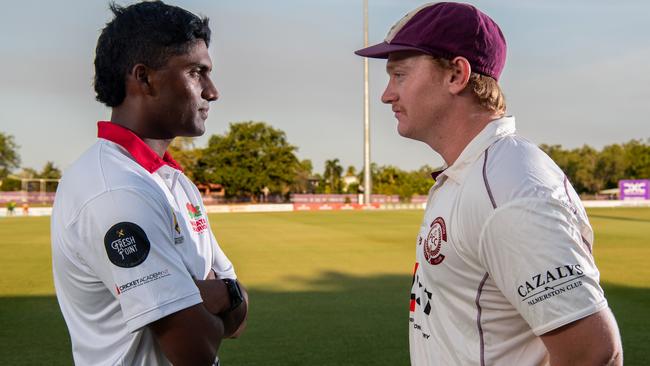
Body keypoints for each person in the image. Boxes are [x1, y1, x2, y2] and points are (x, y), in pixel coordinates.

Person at [355, 2, 622, 365]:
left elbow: (594, 354)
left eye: (399, 75)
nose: (387, 94)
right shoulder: (469, 174)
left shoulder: (510, 188)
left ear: (456, 75)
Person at [51, 2, 247, 365]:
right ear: (143, 78)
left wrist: (221, 293)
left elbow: (237, 319)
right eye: (196, 72)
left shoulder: (171, 180)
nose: (212, 91)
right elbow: (194, 350)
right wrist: (214, 294)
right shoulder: (116, 191)